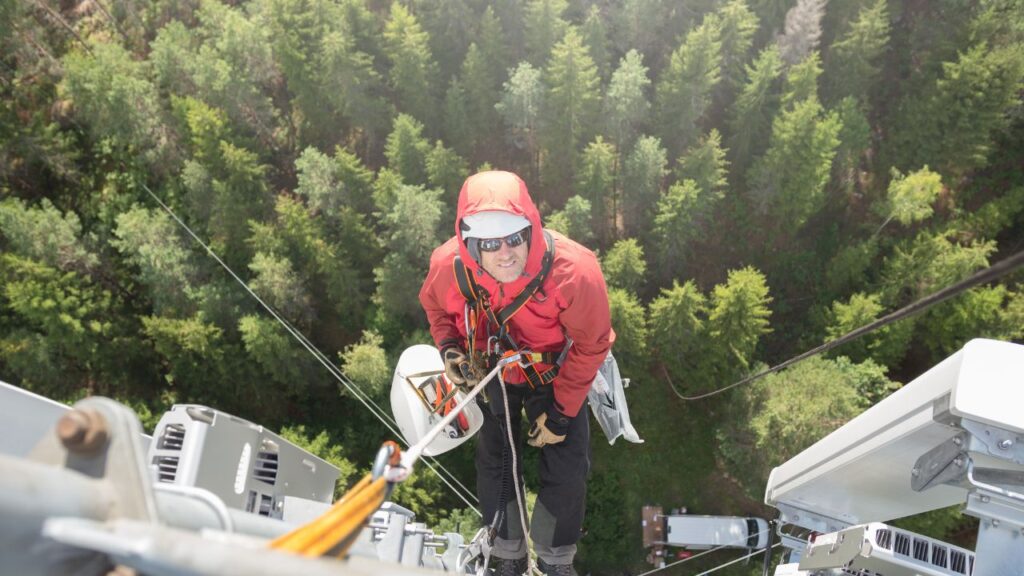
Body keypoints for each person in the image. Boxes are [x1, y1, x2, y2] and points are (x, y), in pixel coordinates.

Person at [419, 171, 613, 576]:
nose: (505, 252)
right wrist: (450, 349)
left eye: (514, 238)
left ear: (531, 229)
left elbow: (592, 344)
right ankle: (507, 552)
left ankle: (555, 559)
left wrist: (560, 414)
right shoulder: (449, 267)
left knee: (567, 460)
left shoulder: (575, 272)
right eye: (489, 244)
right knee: (496, 457)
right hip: (492, 369)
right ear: (470, 245)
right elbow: (437, 311)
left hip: (556, 371)